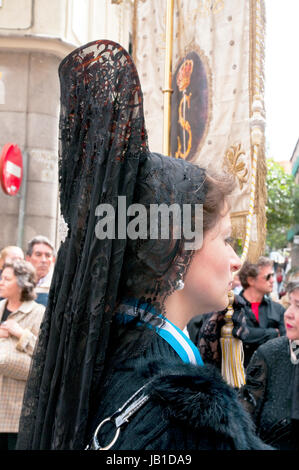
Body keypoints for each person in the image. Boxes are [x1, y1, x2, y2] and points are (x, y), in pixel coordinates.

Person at [16, 40, 270, 451]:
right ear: (176, 248)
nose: (236, 260)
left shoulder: (103, 353)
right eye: (225, 239)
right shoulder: (179, 405)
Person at [239, 281, 299, 450]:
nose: (288, 314)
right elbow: (242, 425)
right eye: (290, 304)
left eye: (298, 306)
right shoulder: (269, 354)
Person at [0, 259, 45, 450]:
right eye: (1, 278)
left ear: (21, 283)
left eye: (6, 279)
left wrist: (21, 333)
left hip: (16, 411)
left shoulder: (38, 313)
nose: (1, 282)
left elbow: (44, 355)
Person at [237, 257, 286, 367]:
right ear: (251, 280)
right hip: (240, 374)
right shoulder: (234, 307)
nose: (273, 280)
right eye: (268, 276)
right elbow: (241, 334)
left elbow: (285, 342)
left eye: (273, 275)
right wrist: (272, 333)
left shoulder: (278, 309)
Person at [25, 236, 55, 307]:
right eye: (38, 255)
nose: (43, 260)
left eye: (48, 255)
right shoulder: (18, 282)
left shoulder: (57, 285)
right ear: (28, 258)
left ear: (53, 260)